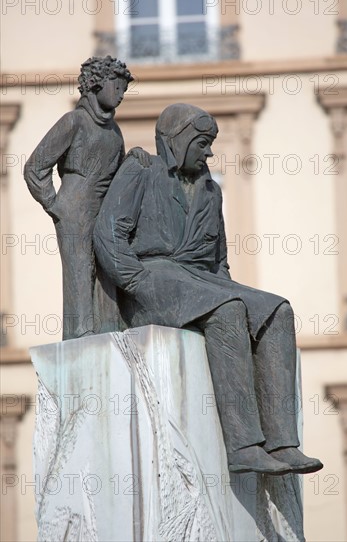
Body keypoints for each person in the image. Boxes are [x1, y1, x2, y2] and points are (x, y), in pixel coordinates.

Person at [93, 103, 323, 474]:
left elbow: (220, 260)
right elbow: (109, 233)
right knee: (227, 309)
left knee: (277, 310)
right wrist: (136, 280)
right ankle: (244, 446)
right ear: (178, 140)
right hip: (153, 278)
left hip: (202, 280)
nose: (209, 152)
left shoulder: (210, 190)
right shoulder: (140, 169)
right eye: (202, 143)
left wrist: (235, 295)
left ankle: (283, 443)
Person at [24, 56, 149, 340]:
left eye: (123, 89)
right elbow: (35, 167)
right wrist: (55, 205)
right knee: (80, 272)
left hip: (103, 210)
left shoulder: (115, 132)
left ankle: (108, 330)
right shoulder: (74, 122)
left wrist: (134, 158)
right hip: (74, 207)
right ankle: (80, 337)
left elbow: (117, 175)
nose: (120, 93)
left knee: (107, 269)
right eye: (116, 86)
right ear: (95, 84)